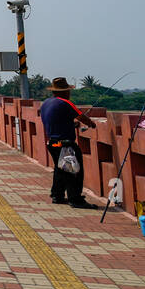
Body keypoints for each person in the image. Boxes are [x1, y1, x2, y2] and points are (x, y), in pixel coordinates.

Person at [40, 77, 96, 208]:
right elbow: (82, 117)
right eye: (68, 91)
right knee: (73, 171)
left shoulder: (46, 103)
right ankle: (76, 199)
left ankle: (57, 195)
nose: (69, 93)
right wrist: (91, 123)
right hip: (64, 143)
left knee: (60, 170)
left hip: (53, 143)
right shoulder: (65, 103)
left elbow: (56, 120)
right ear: (65, 92)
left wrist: (71, 125)